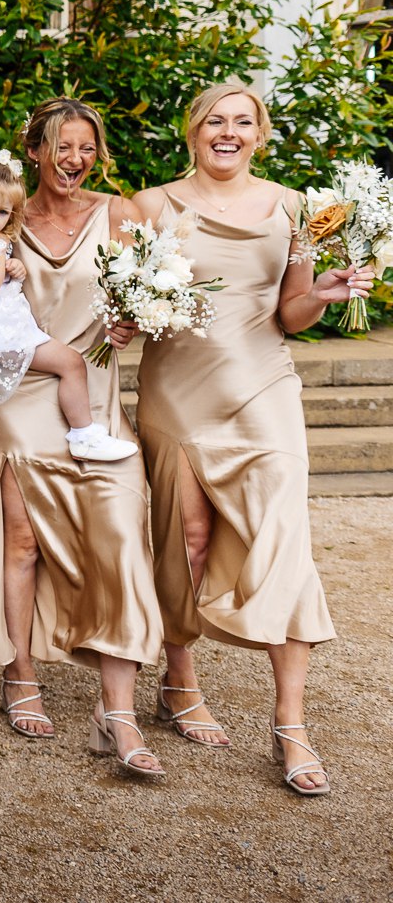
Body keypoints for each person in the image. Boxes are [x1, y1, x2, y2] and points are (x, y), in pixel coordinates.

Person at [131, 83, 357, 796]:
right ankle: (178, 678)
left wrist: (321, 293)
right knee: (186, 540)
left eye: (242, 122)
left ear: (260, 133)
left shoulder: (295, 206)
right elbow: (132, 301)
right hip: (178, 393)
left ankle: (290, 722)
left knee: (285, 539)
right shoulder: (149, 205)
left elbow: (290, 313)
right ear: (192, 132)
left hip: (264, 387)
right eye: (213, 122)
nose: (227, 132)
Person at [0, 96, 165, 780]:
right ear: (35, 150)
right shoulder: (2, 216)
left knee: (119, 533)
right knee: (21, 540)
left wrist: (136, 319)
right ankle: (19, 672)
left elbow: (143, 294)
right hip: (18, 388)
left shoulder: (124, 214)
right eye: (61, 146)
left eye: (85, 146)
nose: (73, 159)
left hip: (93, 394)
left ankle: (120, 710)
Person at [0, 153, 136, 462]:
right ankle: (84, 434)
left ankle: (84, 432)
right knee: (71, 363)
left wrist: (11, 265)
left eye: (2, 212)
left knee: (70, 363)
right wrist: (1, 253)